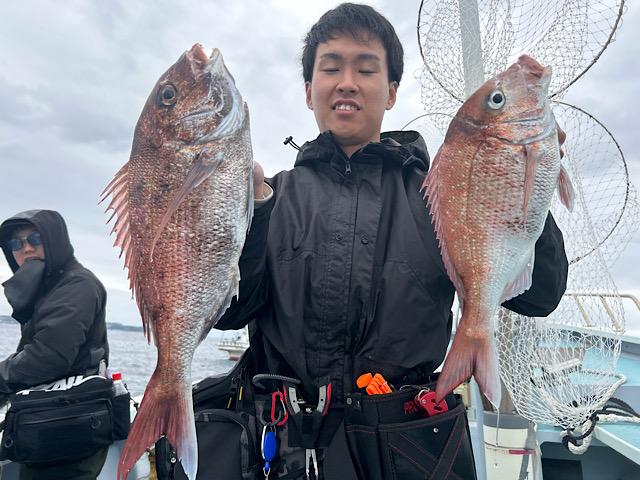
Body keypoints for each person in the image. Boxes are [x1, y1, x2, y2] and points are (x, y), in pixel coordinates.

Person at [217, 3, 568, 479]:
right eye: (331, 68)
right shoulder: (270, 197)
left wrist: (524, 183)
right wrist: (254, 215)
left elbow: (539, 297)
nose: (347, 82)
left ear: (392, 92)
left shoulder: (439, 196)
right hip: (282, 452)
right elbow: (230, 312)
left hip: (410, 450)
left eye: (366, 69)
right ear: (308, 91)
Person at [0, 209, 110, 480]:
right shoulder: (47, 286)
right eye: (16, 243)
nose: (26, 248)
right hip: (48, 421)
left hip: (70, 426)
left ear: (54, 240)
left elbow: (47, 357)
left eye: (34, 239)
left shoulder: (76, 285)